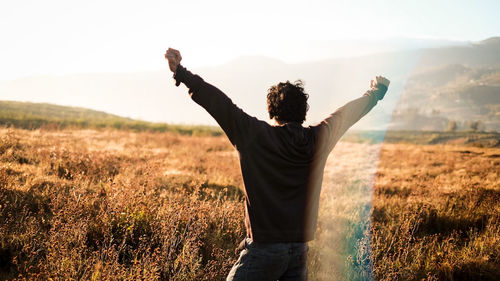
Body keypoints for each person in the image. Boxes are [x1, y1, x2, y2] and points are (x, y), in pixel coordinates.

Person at [165, 48, 390, 281]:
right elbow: (346, 115)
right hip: (299, 251)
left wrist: (181, 73)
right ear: (303, 113)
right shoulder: (318, 139)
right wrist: (375, 92)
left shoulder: (253, 135)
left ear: (271, 110)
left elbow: (218, 102)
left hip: (264, 251)